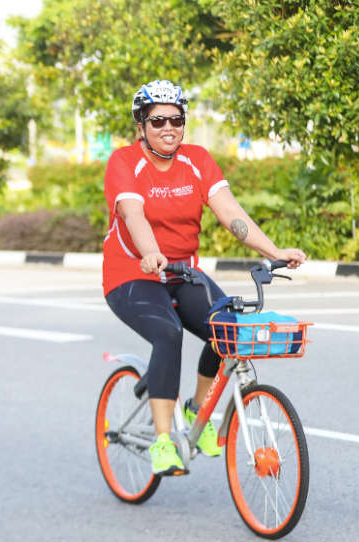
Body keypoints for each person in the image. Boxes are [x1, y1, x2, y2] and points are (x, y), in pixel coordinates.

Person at [102, 79, 307, 476]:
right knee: (168, 334)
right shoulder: (124, 162)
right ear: (140, 125)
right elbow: (133, 214)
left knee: (227, 328)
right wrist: (150, 254)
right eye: (157, 120)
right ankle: (163, 442)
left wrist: (275, 252)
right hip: (132, 274)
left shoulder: (196, 159)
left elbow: (231, 213)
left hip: (182, 272)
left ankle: (197, 412)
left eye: (176, 120)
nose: (168, 128)